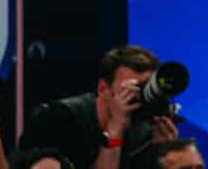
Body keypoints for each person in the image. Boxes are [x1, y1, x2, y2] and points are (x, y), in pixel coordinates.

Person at [17, 46, 180, 169]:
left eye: (146, 90)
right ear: (103, 89)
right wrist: (114, 130)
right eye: (132, 89)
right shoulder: (57, 119)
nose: (139, 97)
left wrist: (165, 157)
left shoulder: (144, 133)